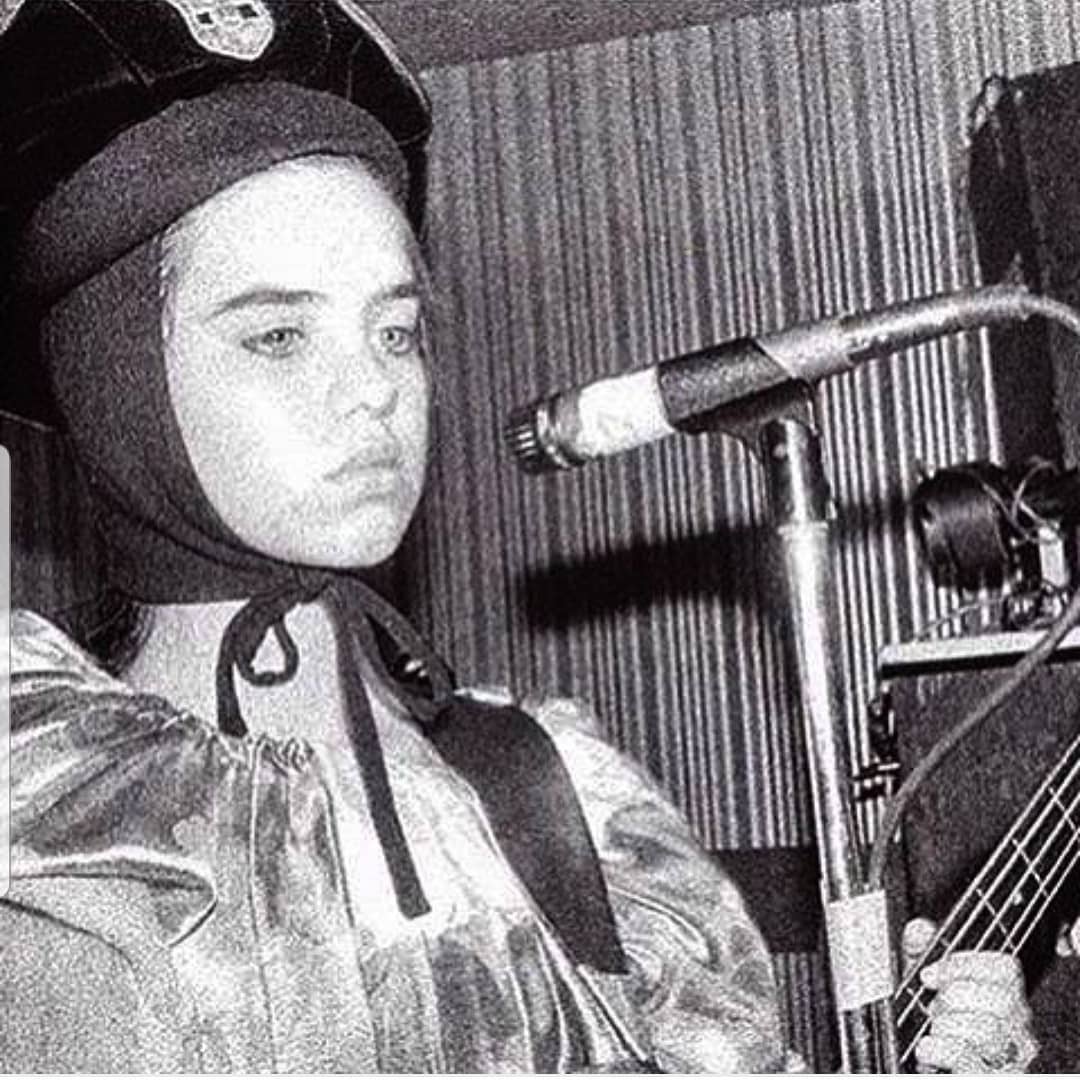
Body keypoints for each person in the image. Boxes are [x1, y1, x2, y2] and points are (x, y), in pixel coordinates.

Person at [0, 0, 1037, 1072]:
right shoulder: (34, 816)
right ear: (117, 384)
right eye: (278, 334)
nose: (375, 388)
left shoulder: (550, 790)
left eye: (395, 329)